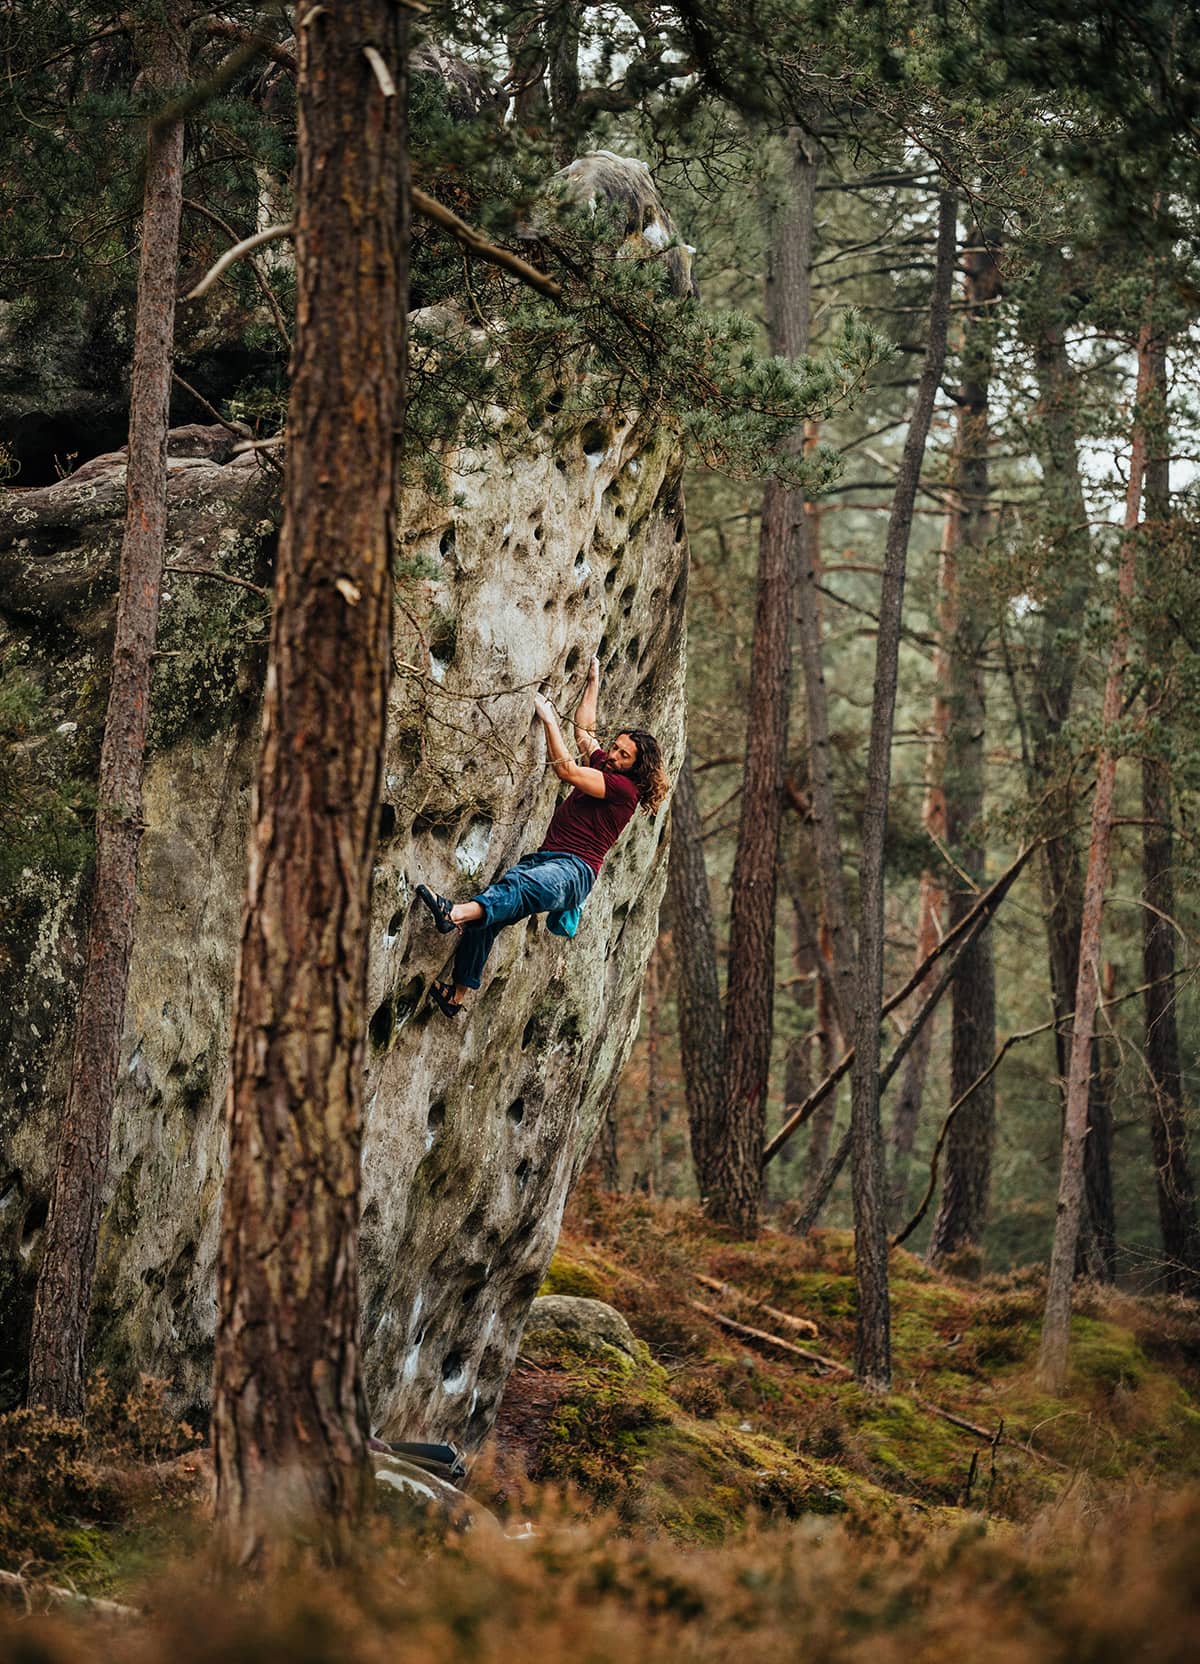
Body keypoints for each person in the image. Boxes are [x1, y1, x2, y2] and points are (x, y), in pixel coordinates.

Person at [414, 655, 669, 1016]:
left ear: (634, 766)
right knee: (493, 914)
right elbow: (585, 732)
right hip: (548, 858)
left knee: (514, 892)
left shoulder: (624, 789)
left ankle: (452, 913)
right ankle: (456, 997)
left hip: (573, 871)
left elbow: (566, 770)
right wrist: (593, 682)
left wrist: (548, 718)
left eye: (622, 755)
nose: (612, 755)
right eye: (615, 747)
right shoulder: (605, 765)